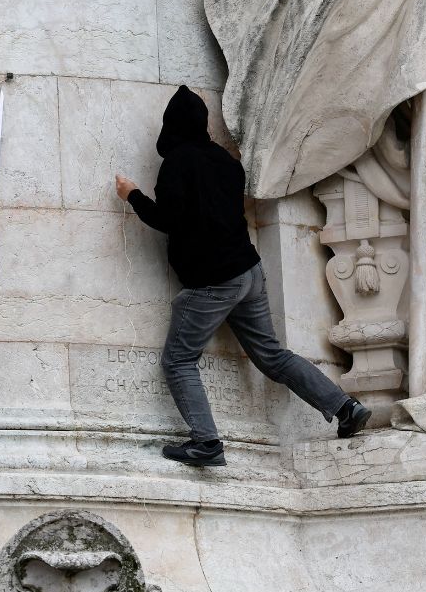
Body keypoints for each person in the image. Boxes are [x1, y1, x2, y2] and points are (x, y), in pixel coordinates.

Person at [115, 86, 371, 467]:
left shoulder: (178, 163)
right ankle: (345, 406)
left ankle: (206, 442)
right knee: (272, 355)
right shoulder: (226, 161)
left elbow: (167, 220)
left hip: (212, 282)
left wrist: (132, 194)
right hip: (248, 272)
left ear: (171, 126)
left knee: (179, 360)